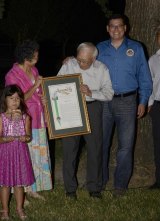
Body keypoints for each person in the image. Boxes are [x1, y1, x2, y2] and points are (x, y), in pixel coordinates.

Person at [96, 14, 152, 197]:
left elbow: (145, 77)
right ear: (107, 29)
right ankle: (100, 181)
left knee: (126, 146)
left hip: (128, 101)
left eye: (119, 26)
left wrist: (142, 101)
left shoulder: (136, 48)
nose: (116, 29)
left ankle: (120, 185)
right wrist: (70, 60)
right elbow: (85, 65)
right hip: (103, 102)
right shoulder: (99, 48)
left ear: (125, 28)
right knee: (101, 143)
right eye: (112, 26)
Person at [57, 42, 114, 199]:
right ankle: (70, 189)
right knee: (69, 149)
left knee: (95, 149)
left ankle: (94, 188)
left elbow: (109, 93)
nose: (80, 63)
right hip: (71, 108)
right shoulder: (69, 64)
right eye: (79, 58)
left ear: (94, 59)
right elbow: (56, 83)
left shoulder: (102, 68)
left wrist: (91, 92)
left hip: (92, 108)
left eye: (84, 61)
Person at [5, 40, 52, 200]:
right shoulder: (12, 75)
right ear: (27, 57)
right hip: (22, 122)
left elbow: (37, 93)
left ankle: (33, 188)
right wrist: (35, 86)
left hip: (38, 119)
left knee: (36, 155)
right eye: (36, 54)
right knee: (23, 157)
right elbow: (16, 100)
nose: (38, 56)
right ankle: (21, 193)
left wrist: (43, 98)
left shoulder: (34, 70)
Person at [0, 85, 35, 220]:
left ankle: (20, 209)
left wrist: (25, 138)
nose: (15, 101)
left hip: (20, 153)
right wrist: (4, 139)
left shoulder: (25, 117)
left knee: (19, 183)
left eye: (17, 98)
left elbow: (28, 136)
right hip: (5, 154)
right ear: (5, 100)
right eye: (11, 98)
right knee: (5, 184)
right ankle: (4, 211)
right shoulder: (1, 117)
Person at [148, 28, 160, 189]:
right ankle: (159, 179)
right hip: (158, 105)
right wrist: (150, 103)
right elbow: (149, 82)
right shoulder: (153, 60)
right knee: (158, 144)